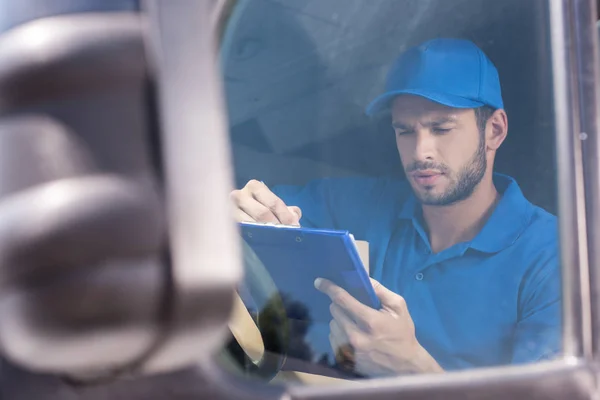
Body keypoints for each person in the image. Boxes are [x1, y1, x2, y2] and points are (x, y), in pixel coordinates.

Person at [230, 38, 560, 377]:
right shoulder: (360, 205)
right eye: (405, 131)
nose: (420, 152)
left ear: (494, 130)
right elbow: (253, 221)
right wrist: (236, 208)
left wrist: (414, 369)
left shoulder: (556, 256)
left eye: (441, 128)